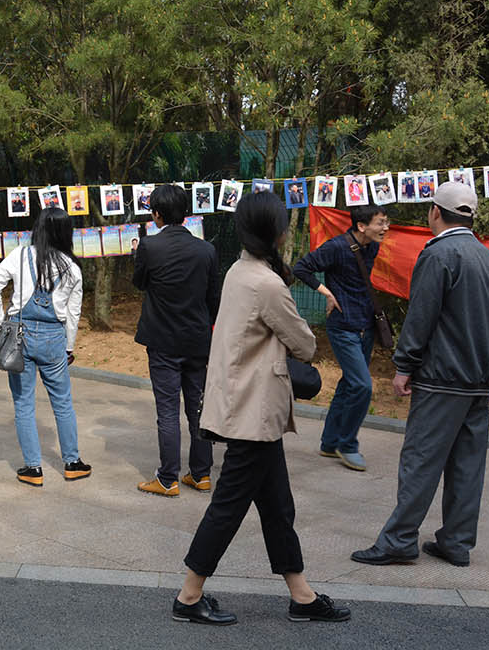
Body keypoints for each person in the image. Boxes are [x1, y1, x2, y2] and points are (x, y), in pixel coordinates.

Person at [173, 191, 349, 626]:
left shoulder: (239, 270)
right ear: (276, 232)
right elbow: (305, 344)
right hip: (252, 412)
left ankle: (301, 595)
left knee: (276, 506)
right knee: (229, 506)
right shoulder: (268, 284)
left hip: (247, 406)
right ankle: (189, 596)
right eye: (286, 225)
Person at [352, 181, 489, 568]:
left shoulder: (439, 255)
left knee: (421, 459)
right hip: (480, 379)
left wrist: (404, 365)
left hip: (443, 376)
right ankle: (456, 542)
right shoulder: (488, 258)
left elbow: (422, 317)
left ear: (435, 212)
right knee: (467, 465)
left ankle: (400, 540)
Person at [0, 206, 90, 487]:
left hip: (20, 336)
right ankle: (72, 463)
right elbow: (74, 313)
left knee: (23, 403)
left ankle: (33, 469)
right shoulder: (73, 267)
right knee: (63, 403)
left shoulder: (19, 255)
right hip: (55, 338)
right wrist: (69, 347)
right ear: (66, 232)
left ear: (38, 229)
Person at [132, 184, 220, 497]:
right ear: (185, 212)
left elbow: (139, 283)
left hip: (163, 341)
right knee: (197, 408)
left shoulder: (149, 246)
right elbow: (213, 299)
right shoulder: (206, 250)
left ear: (156, 213)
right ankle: (201, 474)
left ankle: (168, 478)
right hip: (197, 340)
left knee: (167, 409)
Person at [292, 204, 390, 471]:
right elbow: (300, 268)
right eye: (380, 223)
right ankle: (347, 445)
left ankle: (329, 442)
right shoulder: (336, 247)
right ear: (362, 226)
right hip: (343, 326)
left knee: (349, 384)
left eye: (385, 222)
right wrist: (327, 293)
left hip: (366, 324)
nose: (385, 227)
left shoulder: (372, 246)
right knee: (362, 385)